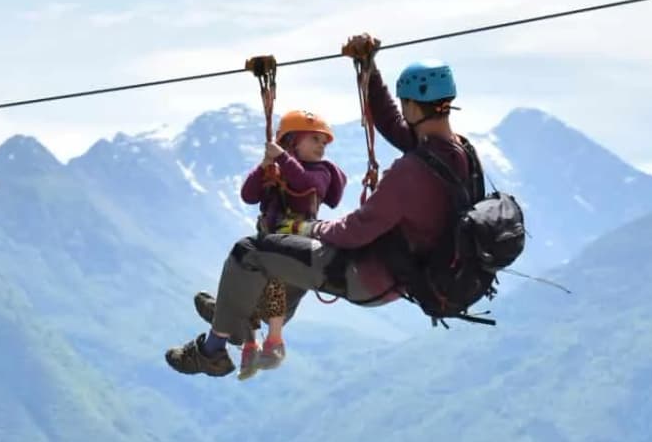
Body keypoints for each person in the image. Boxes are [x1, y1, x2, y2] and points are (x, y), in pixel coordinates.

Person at [167, 34, 472, 378]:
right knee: (283, 260)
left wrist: (308, 228)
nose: (402, 114)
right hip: (399, 276)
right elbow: (390, 123)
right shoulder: (456, 153)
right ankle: (238, 317)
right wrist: (368, 69)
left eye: (405, 106)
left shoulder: (411, 171)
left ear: (413, 108)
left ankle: (212, 351)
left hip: (365, 273)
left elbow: (355, 232)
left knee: (248, 252)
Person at [232, 109, 345, 378]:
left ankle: (273, 341)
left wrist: (281, 157)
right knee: (249, 284)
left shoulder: (322, 173)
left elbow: (306, 184)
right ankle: (250, 345)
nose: (322, 147)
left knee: (275, 285)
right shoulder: (276, 170)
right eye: (315, 139)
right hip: (271, 239)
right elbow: (248, 195)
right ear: (293, 140)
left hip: (298, 243)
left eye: (323, 142)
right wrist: (264, 166)